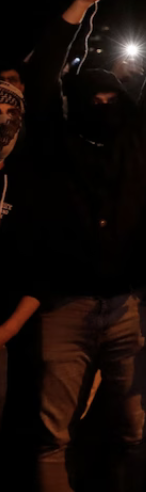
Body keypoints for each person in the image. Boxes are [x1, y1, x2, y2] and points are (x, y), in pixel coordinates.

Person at [17, 0, 146, 492]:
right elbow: (42, 70)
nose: (102, 100)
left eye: (111, 94)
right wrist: (81, 4)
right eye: (92, 94)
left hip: (128, 307)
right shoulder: (55, 139)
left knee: (133, 429)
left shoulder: (138, 138)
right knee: (51, 433)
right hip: (65, 304)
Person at [0, 80, 38, 427]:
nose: (3, 124)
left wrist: (7, 330)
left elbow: (40, 270)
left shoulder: (25, 189)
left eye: (12, 116)